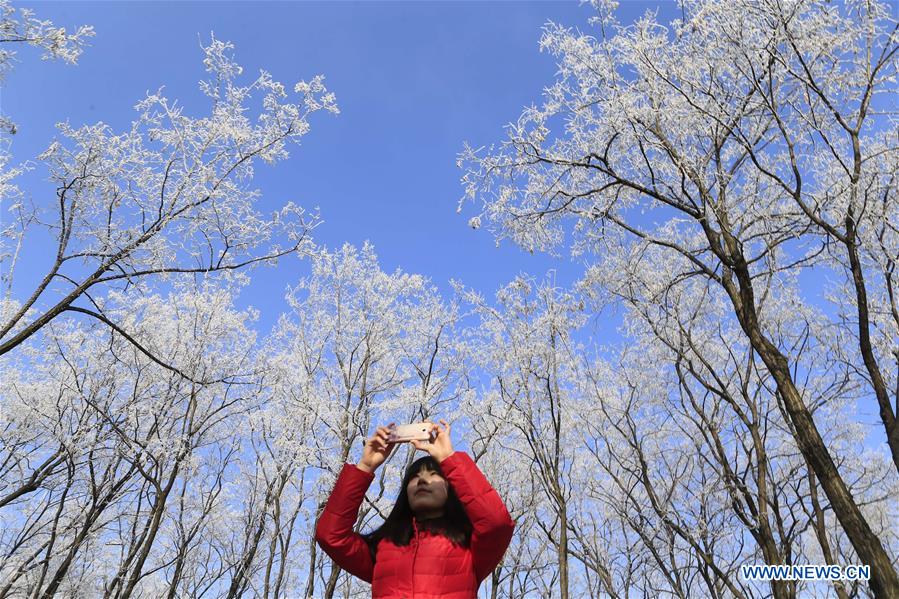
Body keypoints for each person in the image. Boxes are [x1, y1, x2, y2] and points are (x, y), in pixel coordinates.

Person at [315, 420, 515, 599]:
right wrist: (365, 467)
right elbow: (331, 536)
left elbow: (497, 523)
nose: (422, 480)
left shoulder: (470, 546)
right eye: (414, 477)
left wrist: (448, 458)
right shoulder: (383, 548)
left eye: (433, 474)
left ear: (450, 487)